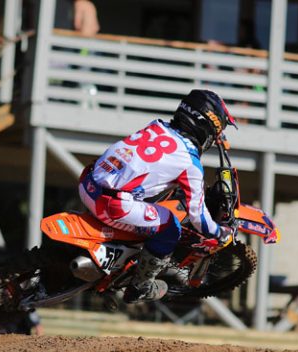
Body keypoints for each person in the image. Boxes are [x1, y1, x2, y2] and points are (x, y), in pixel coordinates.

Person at [78, 89, 236, 303]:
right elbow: (198, 217)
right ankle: (141, 286)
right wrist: (220, 233)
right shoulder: (190, 163)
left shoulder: (156, 126)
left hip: (87, 183)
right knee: (170, 226)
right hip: (110, 205)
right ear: (207, 127)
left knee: (142, 201)